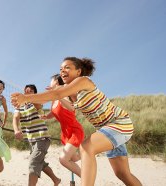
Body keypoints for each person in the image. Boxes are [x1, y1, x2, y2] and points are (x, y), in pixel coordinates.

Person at [11, 57, 142, 186]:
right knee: (122, 174)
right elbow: (49, 98)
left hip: (118, 123)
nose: (62, 71)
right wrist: (24, 99)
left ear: (78, 71)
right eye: (61, 69)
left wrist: (26, 98)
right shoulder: (66, 93)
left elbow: (56, 95)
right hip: (106, 131)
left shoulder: (84, 81)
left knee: (86, 147)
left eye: (67, 67)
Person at [12, 84, 61, 186]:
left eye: (30, 91)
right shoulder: (20, 107)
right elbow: (15, 118)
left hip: (42, 137)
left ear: (34, 93)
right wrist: (16, 130)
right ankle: (56, 180)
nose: (27, 92)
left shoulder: (37, 102)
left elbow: (37, 103)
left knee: (33, 163)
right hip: (31, 139)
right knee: (40, 163)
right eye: (26, 91)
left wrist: (26, 98)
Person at [40, 74, 84, 177]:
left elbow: (71, 108)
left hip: (74, 130)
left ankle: (86, 181)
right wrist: (46, 116)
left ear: (57, 81)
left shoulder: (65, 95)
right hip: (65, 133)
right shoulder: (54, 99)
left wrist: (58, 95)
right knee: (74, 158)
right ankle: (88, 152)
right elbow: (55, 112)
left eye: (52, 80)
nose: (50, 82)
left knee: (63, 159)